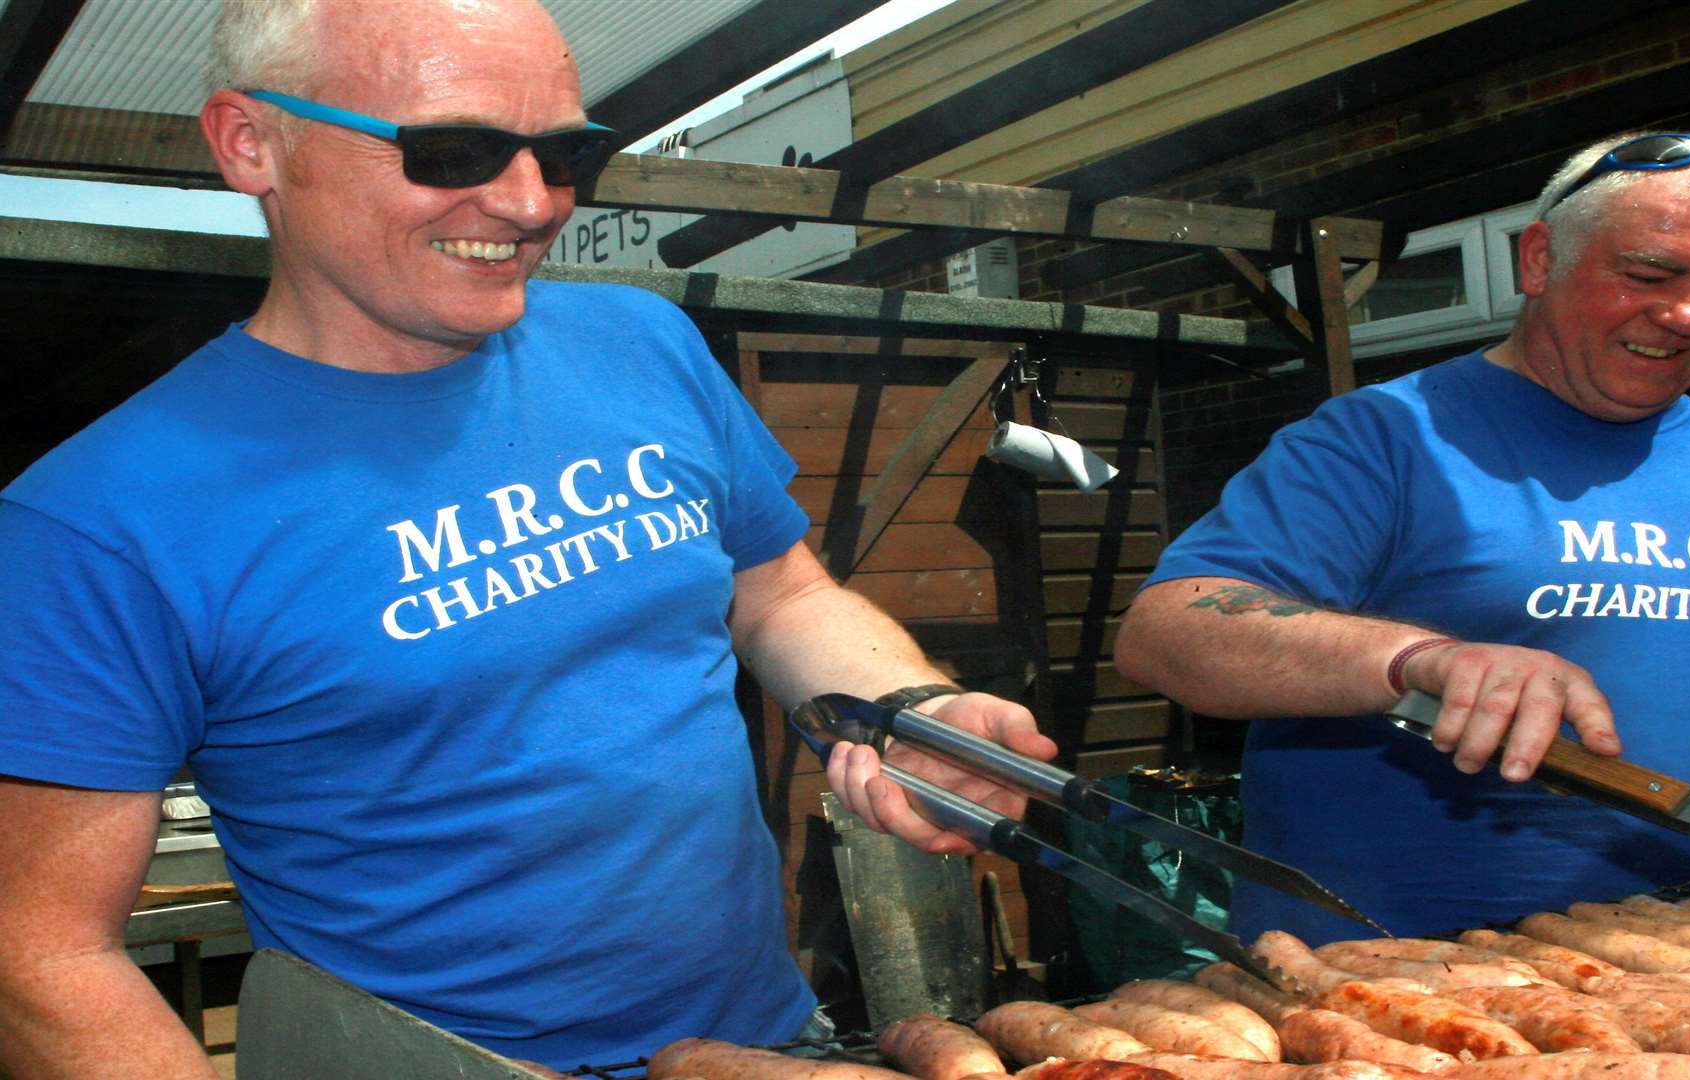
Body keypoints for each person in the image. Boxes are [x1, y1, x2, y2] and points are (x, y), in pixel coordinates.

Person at [0, 1, 1053, 1075]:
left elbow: (781, 596)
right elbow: (41, 955)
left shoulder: (640, 343)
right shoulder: (98, 521)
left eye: (564, 152)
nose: (528, 202)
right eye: (453, 149)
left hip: (759, 1049)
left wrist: (907, 712)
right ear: (250, 142)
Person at [1114, 132, 1690, 945]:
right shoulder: (1387, 439)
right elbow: (1169, 630)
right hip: (1402, 1003)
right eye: (1648, 274)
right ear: (1538, 260)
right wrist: (1419, 662)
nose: (1688, 315)